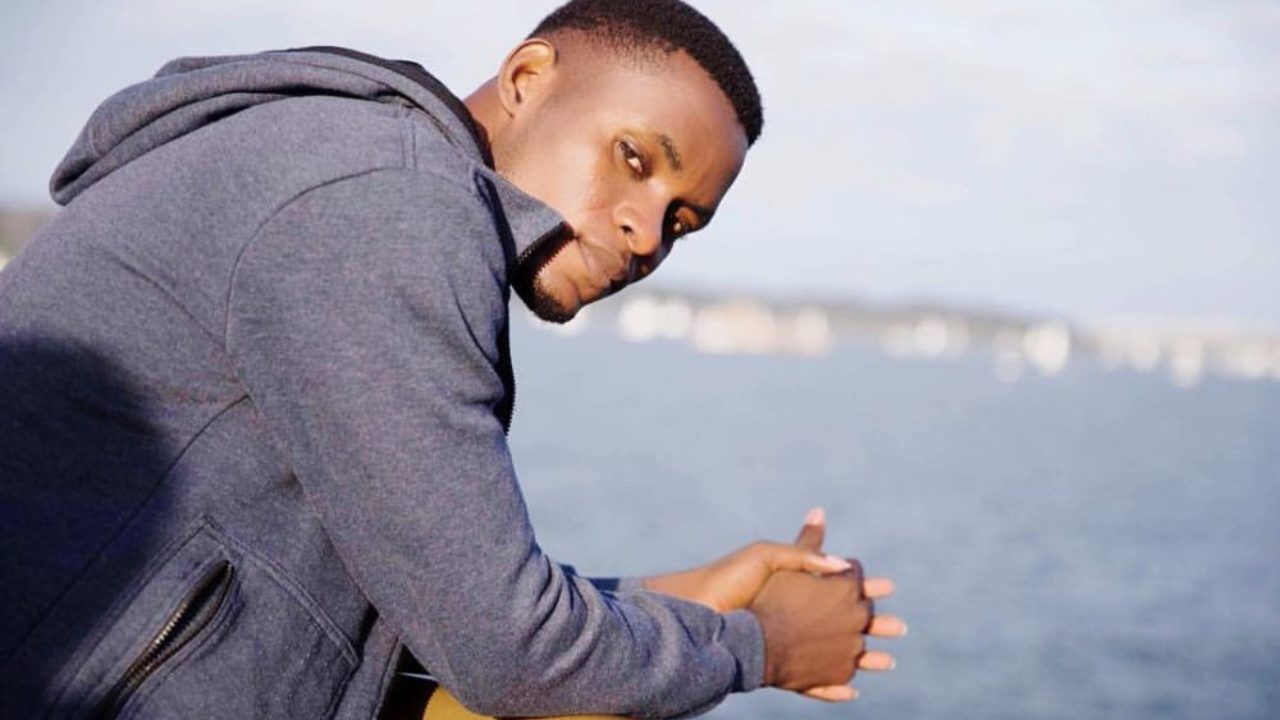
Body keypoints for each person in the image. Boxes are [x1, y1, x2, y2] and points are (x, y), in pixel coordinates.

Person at [0, 1, 906, 718]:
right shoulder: (388, 206)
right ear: (527, 78)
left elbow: (410, 612)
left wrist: (689, 599)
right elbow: (507, 652)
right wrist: (761, 646)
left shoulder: (355, 169)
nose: (646, 234)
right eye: (633, 159)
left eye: (682, 220)